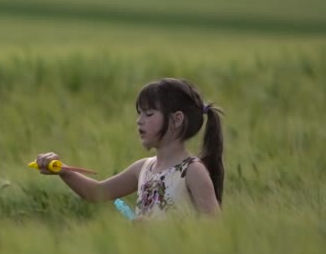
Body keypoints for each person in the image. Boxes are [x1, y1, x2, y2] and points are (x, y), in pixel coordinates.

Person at [34, 78, 224, 220]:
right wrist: (62, 170)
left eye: (149, 114)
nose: (139, 121)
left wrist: (162, 233)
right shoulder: (143, 168)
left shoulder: (192, 171)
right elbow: (97, 192)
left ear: (177, 119)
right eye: (139, 113)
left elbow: (214, 231)